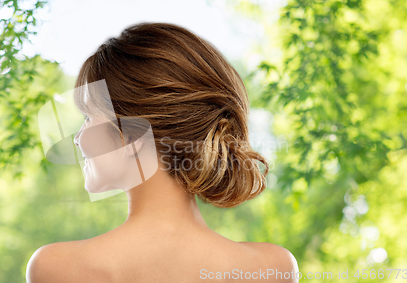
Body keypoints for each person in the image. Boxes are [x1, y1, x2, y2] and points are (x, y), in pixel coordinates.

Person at [27, 22, 299, 283]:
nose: (78, 138)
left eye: (88, 117)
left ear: (132, 136)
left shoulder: (57, 269)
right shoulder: (272, 268)